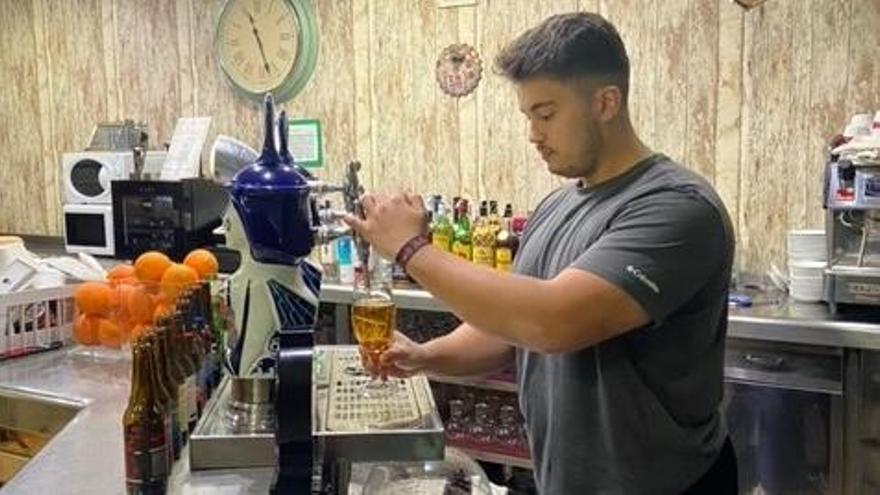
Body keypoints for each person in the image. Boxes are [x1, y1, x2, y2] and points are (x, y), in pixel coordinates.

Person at [344, 12, 737, 494]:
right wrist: (424, 356)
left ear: (606, 102)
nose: (533, 134)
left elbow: (553, 323)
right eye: (528, 116)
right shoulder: (556, 207)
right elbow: (508, 329)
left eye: (546, 114)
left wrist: (411, 249)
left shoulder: (676, 208)